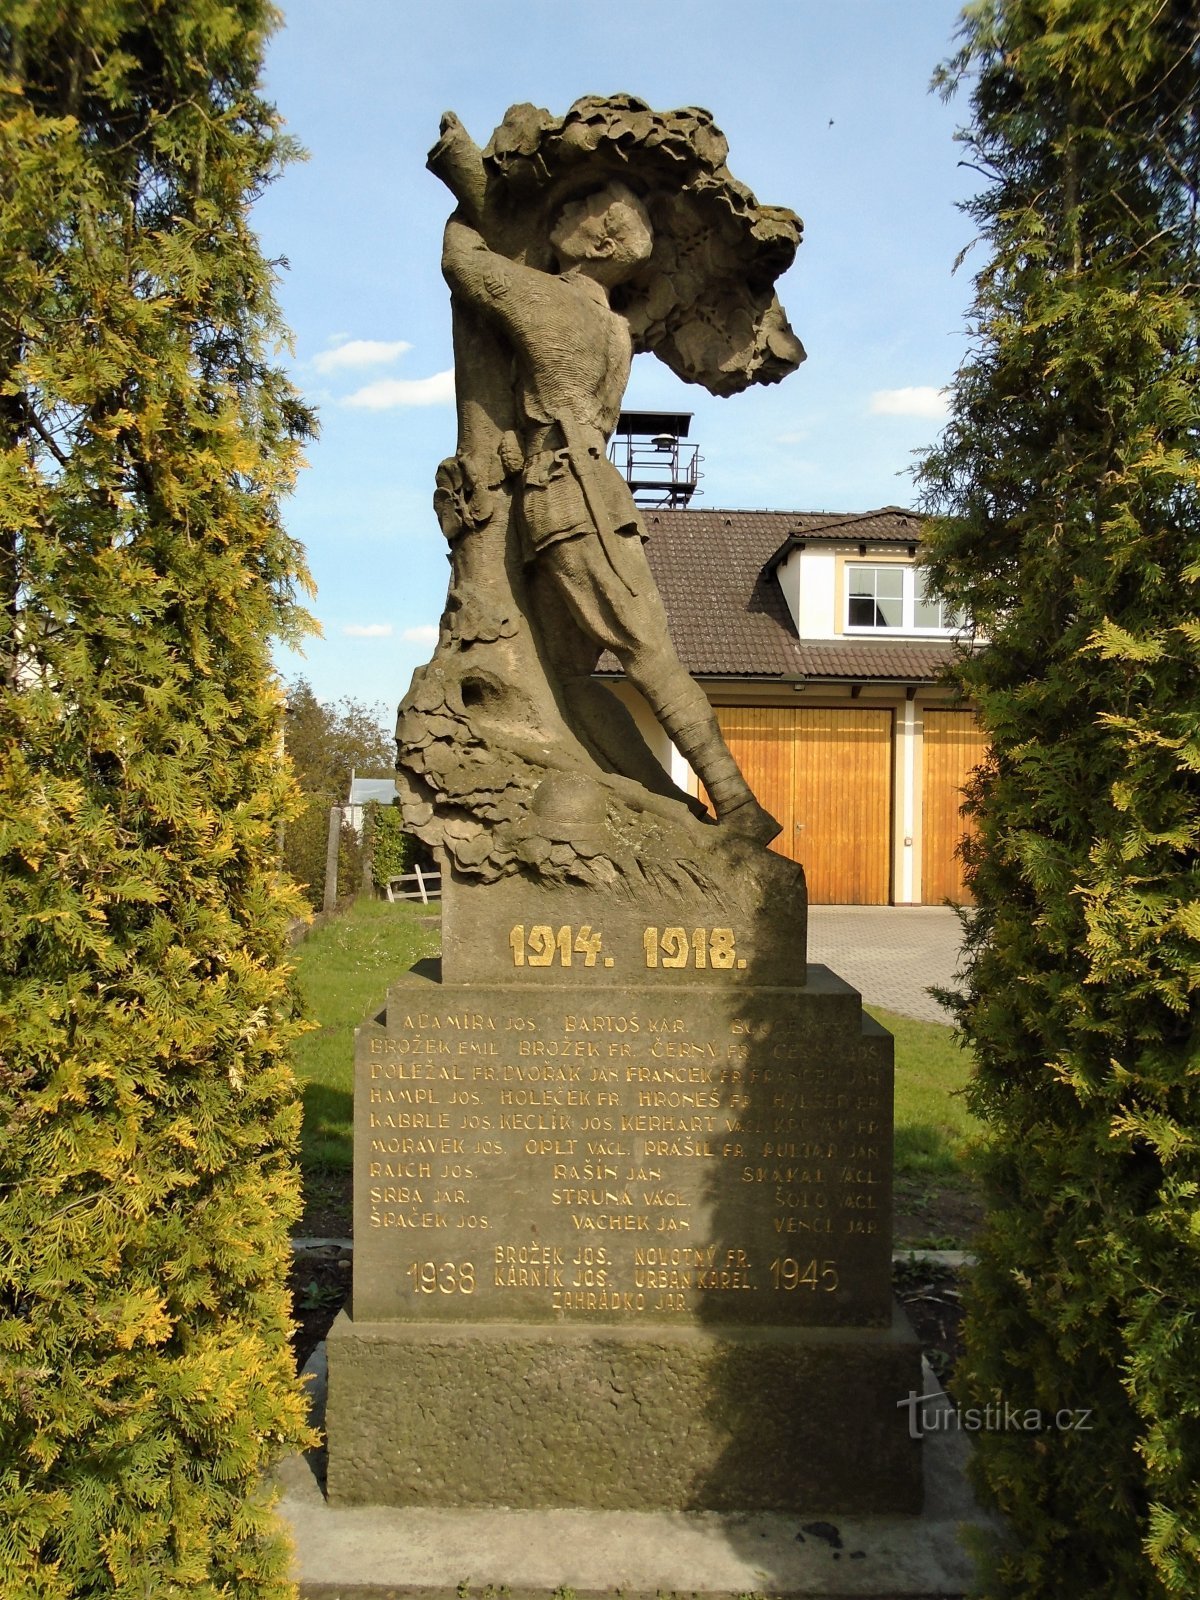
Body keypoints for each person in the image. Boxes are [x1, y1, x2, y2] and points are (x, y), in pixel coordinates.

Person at [440, 180, 780, 845]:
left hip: (574, 502)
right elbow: (564, 414)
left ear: (598, 239)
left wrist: (478, 198)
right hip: (573, 488)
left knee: (646, 651)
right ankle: (666, 806)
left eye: (570, 206)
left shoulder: (551, 302)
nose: (558, 211)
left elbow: (463, 263)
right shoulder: (613, 329)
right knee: (567, 680)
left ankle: (738, 804)